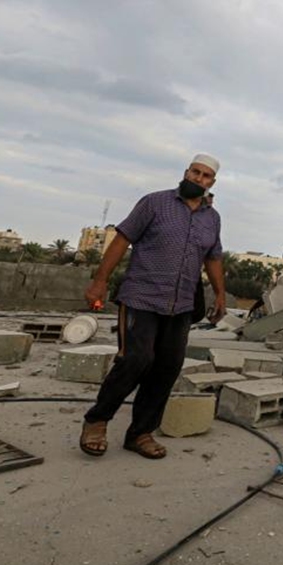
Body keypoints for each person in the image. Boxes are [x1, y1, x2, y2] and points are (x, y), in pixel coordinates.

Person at [79, 154, 227, 459]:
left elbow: (213, 258)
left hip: (182, 304)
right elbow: (121, 240)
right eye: (195, 172)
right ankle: (97, 421)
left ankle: (141, 433)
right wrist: (100, 281)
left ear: (212, 183)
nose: (198, 178)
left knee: (167, 367)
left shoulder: (212, 219)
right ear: (186, 172)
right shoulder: (154, 203)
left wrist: (221, 296)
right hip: (141, 297)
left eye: (205, 176)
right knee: (136, 359)